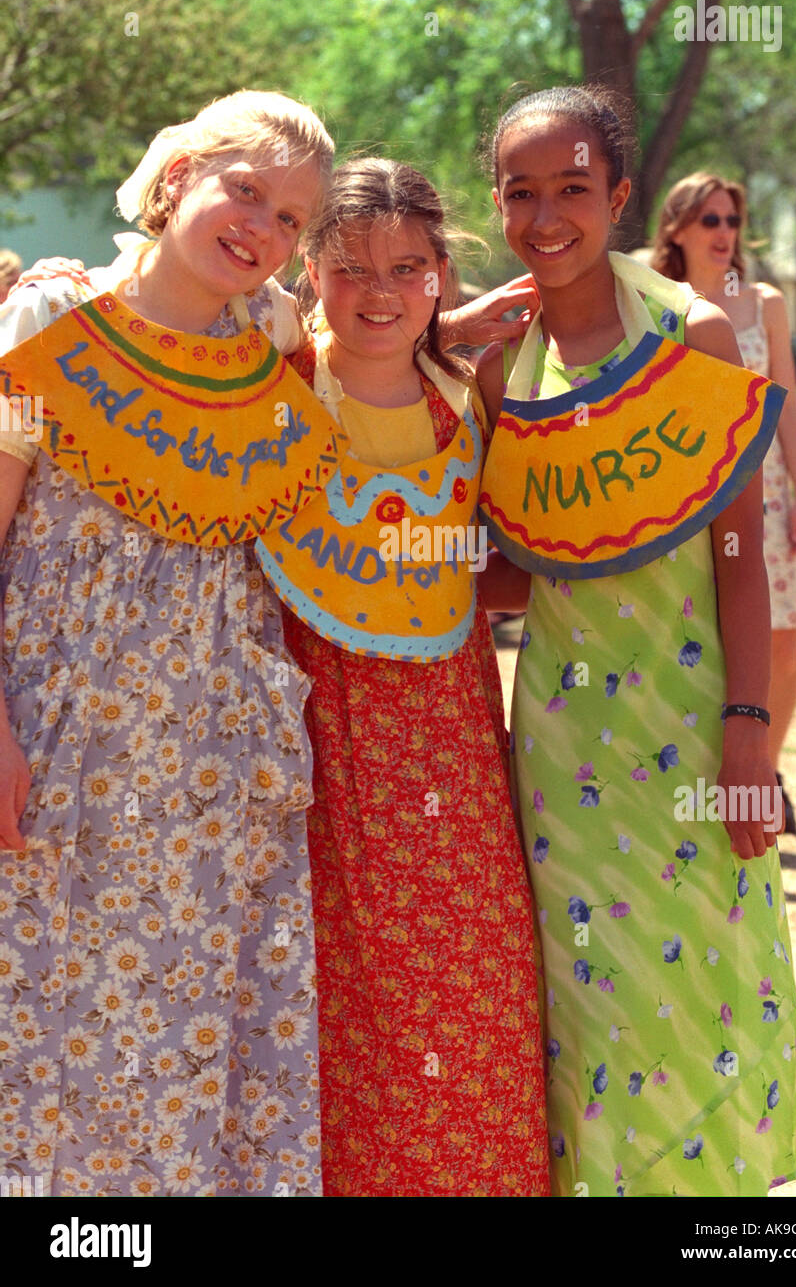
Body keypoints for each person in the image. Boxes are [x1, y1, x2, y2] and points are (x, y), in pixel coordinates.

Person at [475, 84, 796, 1197]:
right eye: (520, 192)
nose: (546, 216)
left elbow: (736, 553)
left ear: (621, 196)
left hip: (689, 729)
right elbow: (502, 569)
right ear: (496, 203)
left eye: (573, 189)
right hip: (561, 738)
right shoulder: (500, 369)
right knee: (592, 995)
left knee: (710, 981)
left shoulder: (693, 333)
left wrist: (747, 735)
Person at [0, 90, 339, 1196]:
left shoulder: (272, 339)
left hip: (216, 755)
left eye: (292, 219)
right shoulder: (47, 322)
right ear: (179, 171)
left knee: (195, 1027)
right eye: (246, 191)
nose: (263, 229)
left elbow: (353, 330)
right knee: (49, 1014)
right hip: (58, 735)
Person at [256, 158, 550, 1196]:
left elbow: (502, 564)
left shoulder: (470, 397)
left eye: (407, 268)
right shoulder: (272, 380)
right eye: (350, 268)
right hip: (311, 730)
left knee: (471, 973)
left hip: (446, 737)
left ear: (439, 271)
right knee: (333, 980)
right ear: (309, 270)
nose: (379, 292)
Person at [650, 173, 796, 831]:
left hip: (768, 489)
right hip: (694, 497)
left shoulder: (765, 302)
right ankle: (709, 772)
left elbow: (789, 404)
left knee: (785, 645)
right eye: (711, 220)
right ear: (679, 229)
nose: (725, 233)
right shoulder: (656, 304)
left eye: (732, 220)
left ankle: (764, 774)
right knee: (710, 638)